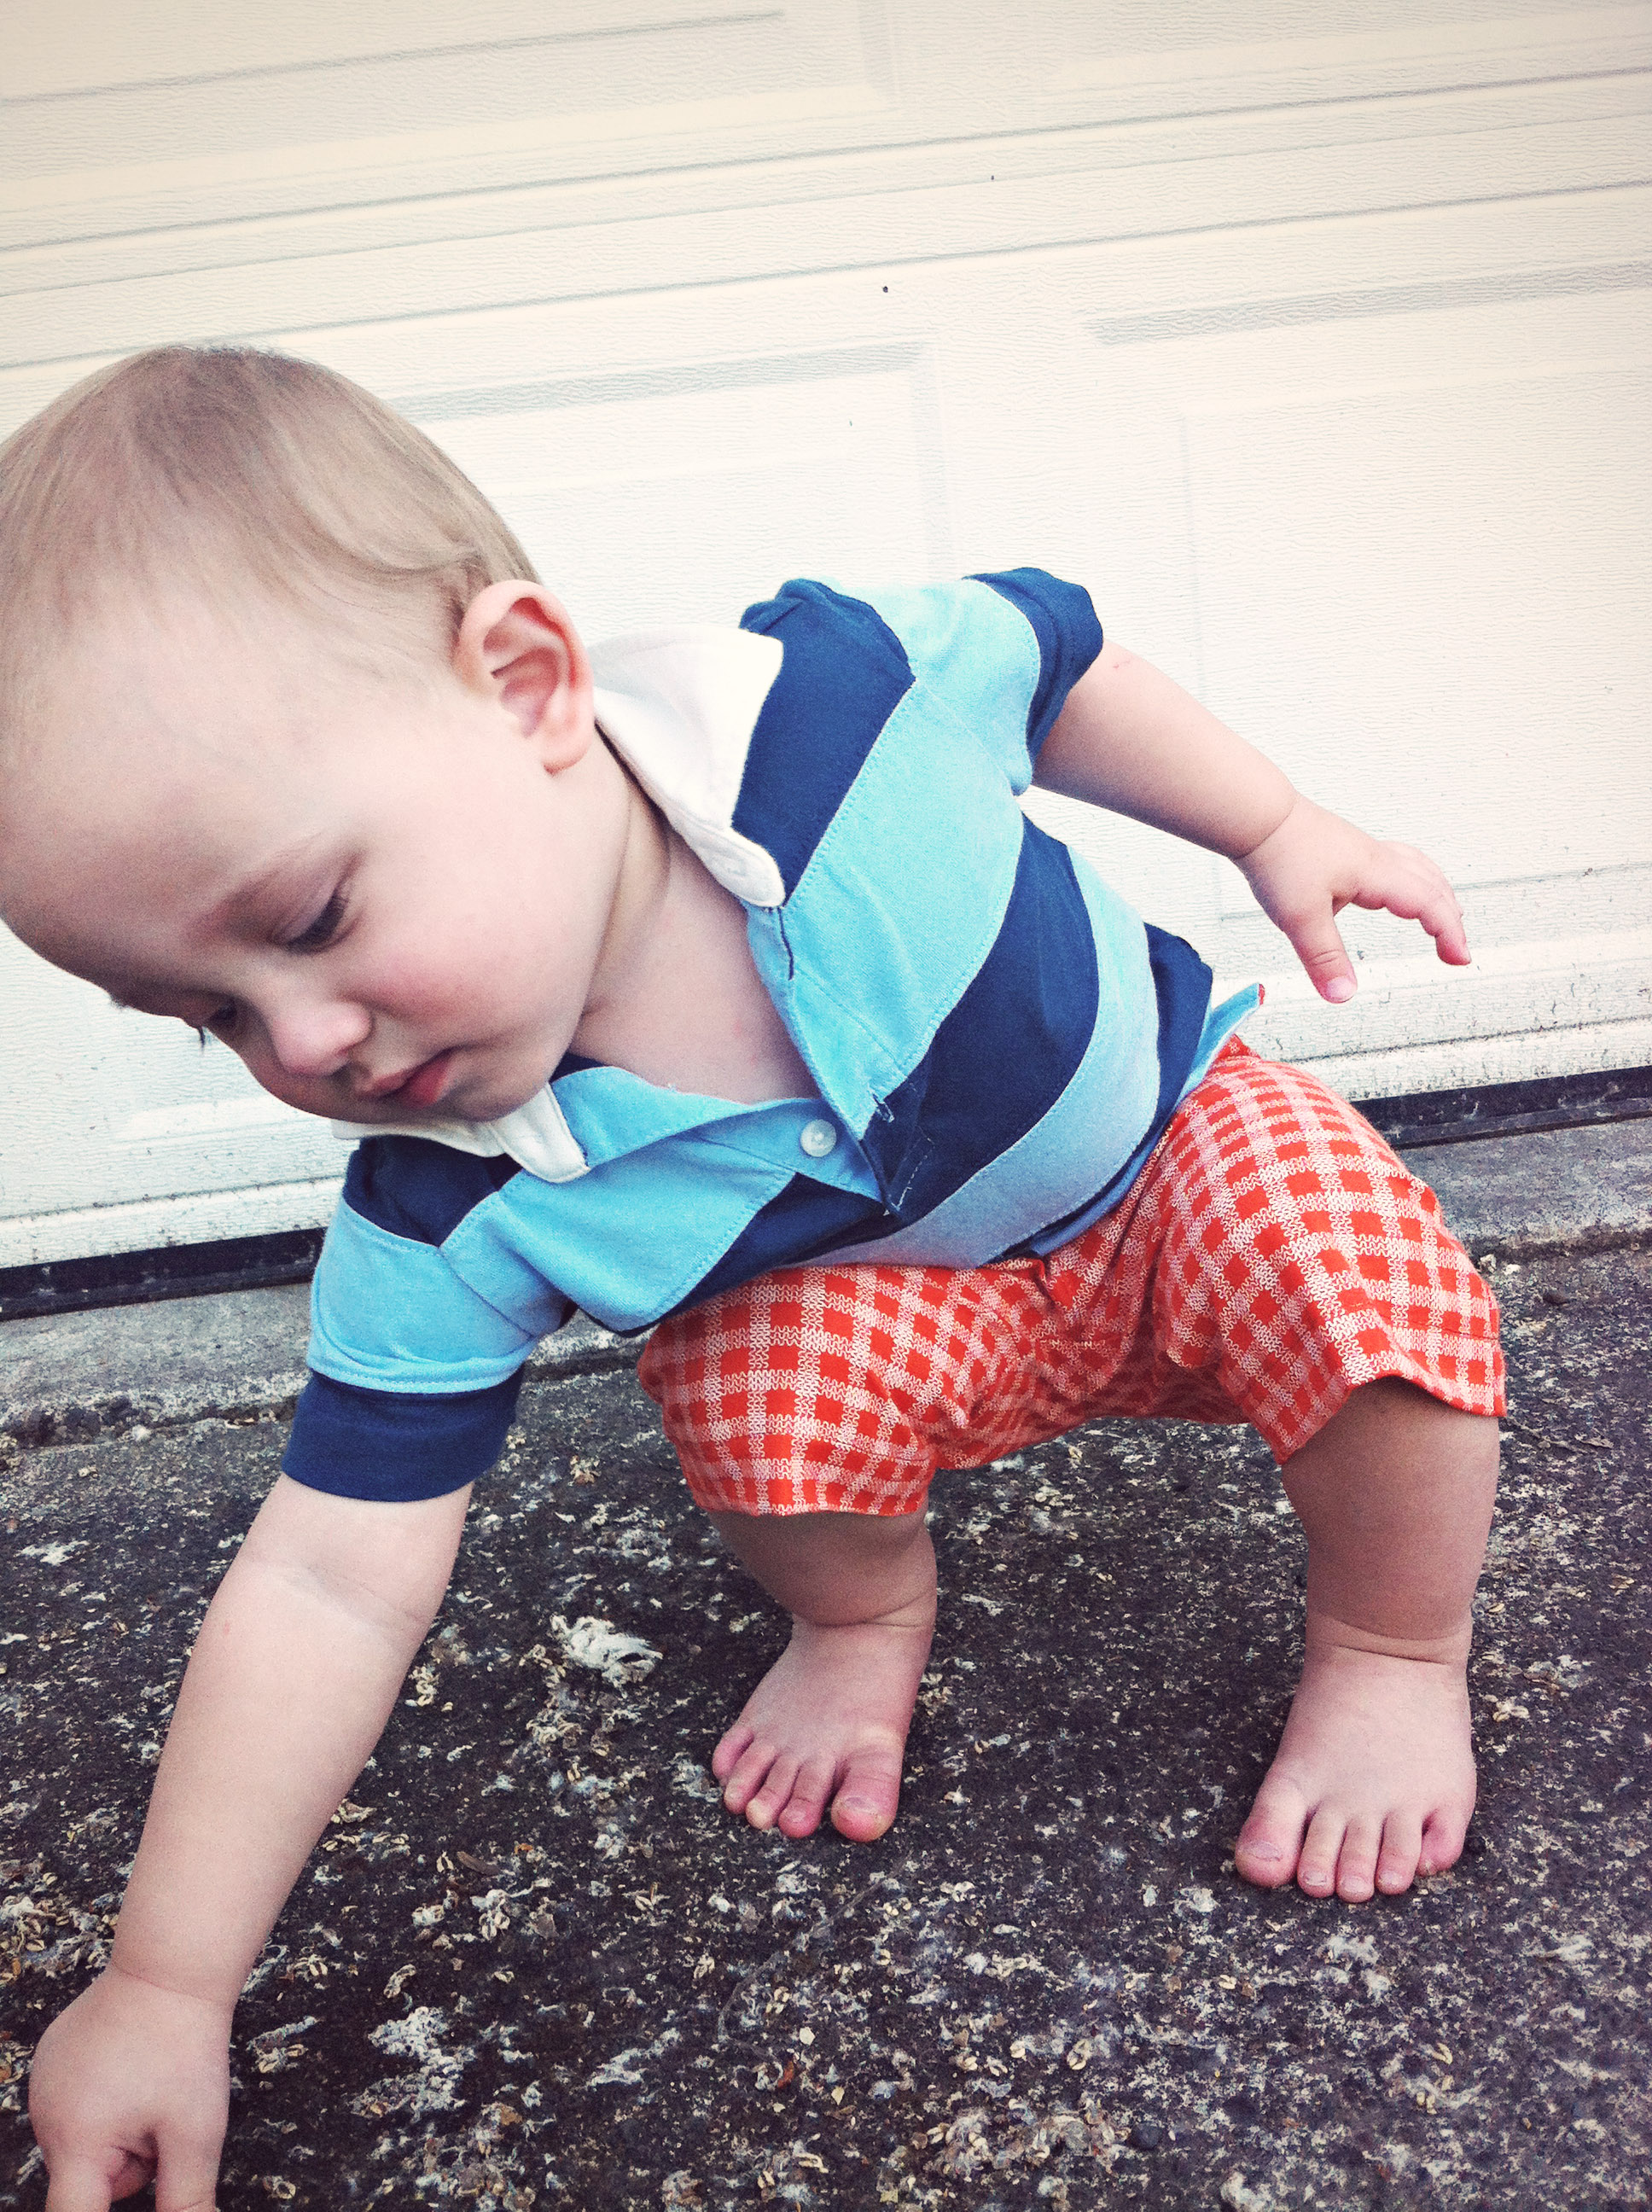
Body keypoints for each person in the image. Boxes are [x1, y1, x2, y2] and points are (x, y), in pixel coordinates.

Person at [1, 345, 1501, 2203]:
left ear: (527, 686)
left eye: (309, 919)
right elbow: (324, 1573)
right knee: (749, 1401)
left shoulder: (830, 707)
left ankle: (1391, 1646)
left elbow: (1055, 650)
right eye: (207, 1015)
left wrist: (1273, 824)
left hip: (1167, 1153)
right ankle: (860, 1619)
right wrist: (164, 1980)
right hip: (904, 1309)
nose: (302, 1044)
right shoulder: (454, 1197)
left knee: (1359, 1279)